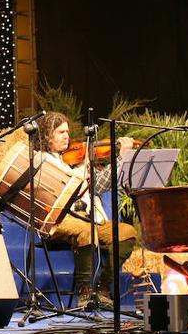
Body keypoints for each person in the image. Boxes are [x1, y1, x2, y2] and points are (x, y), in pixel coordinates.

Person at [32, 112, 138, 309]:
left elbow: (101, 185)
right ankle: (85, 292)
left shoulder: (70, 161)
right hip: (58, 219)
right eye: (61, 132)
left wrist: (120, 159)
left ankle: (103, 288)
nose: (67, 136)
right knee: (86, 231)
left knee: (126, 232)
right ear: (47, 135)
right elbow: (66, 189)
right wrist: (83, 171)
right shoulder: (40, 161)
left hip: (88, 217)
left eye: (67, 132)